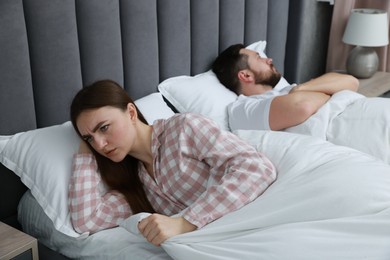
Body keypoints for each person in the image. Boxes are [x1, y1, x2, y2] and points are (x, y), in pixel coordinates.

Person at [68, 79, 277, 246]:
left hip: (259, 227)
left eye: (104, 128)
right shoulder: (135, 185)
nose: (100, 144)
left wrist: (184, 222)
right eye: (90, 138)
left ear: (131, 112)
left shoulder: (183, 129)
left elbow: (258, 168)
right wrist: (85, 155)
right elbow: (86, 220)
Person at [212, 43, 359, 131]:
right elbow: (302, 106)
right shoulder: (243, 109)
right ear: (245, 76)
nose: (269, 59)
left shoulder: (293, 90)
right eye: (259, 58)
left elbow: (352, 82)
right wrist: (329, 93)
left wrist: (301, 89)